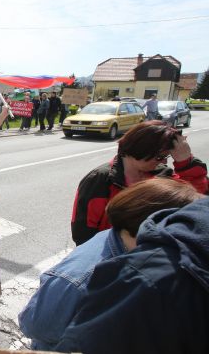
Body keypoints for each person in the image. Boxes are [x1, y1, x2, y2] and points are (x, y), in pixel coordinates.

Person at [19, 178, 204, 351]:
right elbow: (34, 324)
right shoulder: (79, 278)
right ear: (149, 223)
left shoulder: (130, 247)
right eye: (178, 227)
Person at [71, 121, 207, 246]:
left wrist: (186, 163)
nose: (164, 162)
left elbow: (197, 205)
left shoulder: (165, 176)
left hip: (150, 256)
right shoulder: (100, 179)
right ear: (141, 148)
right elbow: (83, 231)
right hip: (109, 254)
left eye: (166, 157)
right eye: (160, 156)